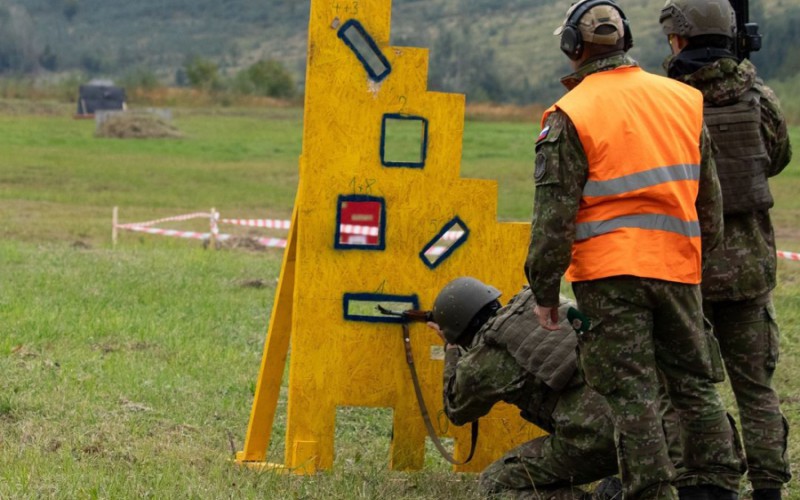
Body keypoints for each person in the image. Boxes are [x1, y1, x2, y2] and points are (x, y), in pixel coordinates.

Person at [524, 0, 745, 498]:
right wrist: (698, 259)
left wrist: (543, 289)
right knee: (692, 383)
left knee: (633, 394)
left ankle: (651, 492)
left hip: (609, 276)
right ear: (625, 40)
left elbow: (553, 219)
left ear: (572, 48)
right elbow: (709, 199)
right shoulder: (683, 101)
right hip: (677, 267)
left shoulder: (569, 113)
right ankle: (718, 485)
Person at [659, 2, 793, 499]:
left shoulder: (666, 99)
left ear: (678, 39)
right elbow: (777, 158)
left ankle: (701, 480)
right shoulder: (758, 95)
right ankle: (768, 488)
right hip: (749, 267)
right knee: (755, 387)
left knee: (686, 389)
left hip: (684, 265)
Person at [428, 276, 621, 500]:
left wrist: (451, 349)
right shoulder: (544, 304)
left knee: (494, 484)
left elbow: (456, 410)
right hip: (649, 420)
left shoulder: (486, 358)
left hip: (598, 438)